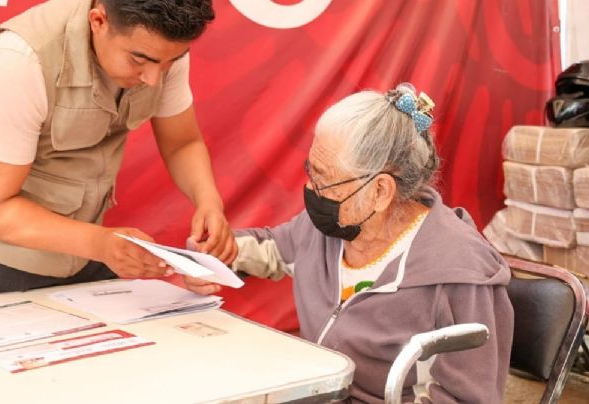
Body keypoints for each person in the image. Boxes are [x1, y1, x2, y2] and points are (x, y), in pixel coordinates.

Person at [184, 83, 514, 402]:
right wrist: (210, 258)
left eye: (323, 179)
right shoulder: (328, 227)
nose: (312, 190)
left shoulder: (459, 274)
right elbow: (270, 249)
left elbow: (469, 397)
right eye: (310, 171)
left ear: (380, 192)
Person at [0, 0, 237, 296]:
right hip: (7, 254)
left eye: (168, 64)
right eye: (139, 60)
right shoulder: (18, 59)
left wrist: (208, 202)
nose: (153, 79)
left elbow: (182, 142)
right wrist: (100, 243)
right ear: (98, 21)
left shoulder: (162, 49)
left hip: (94, 244)